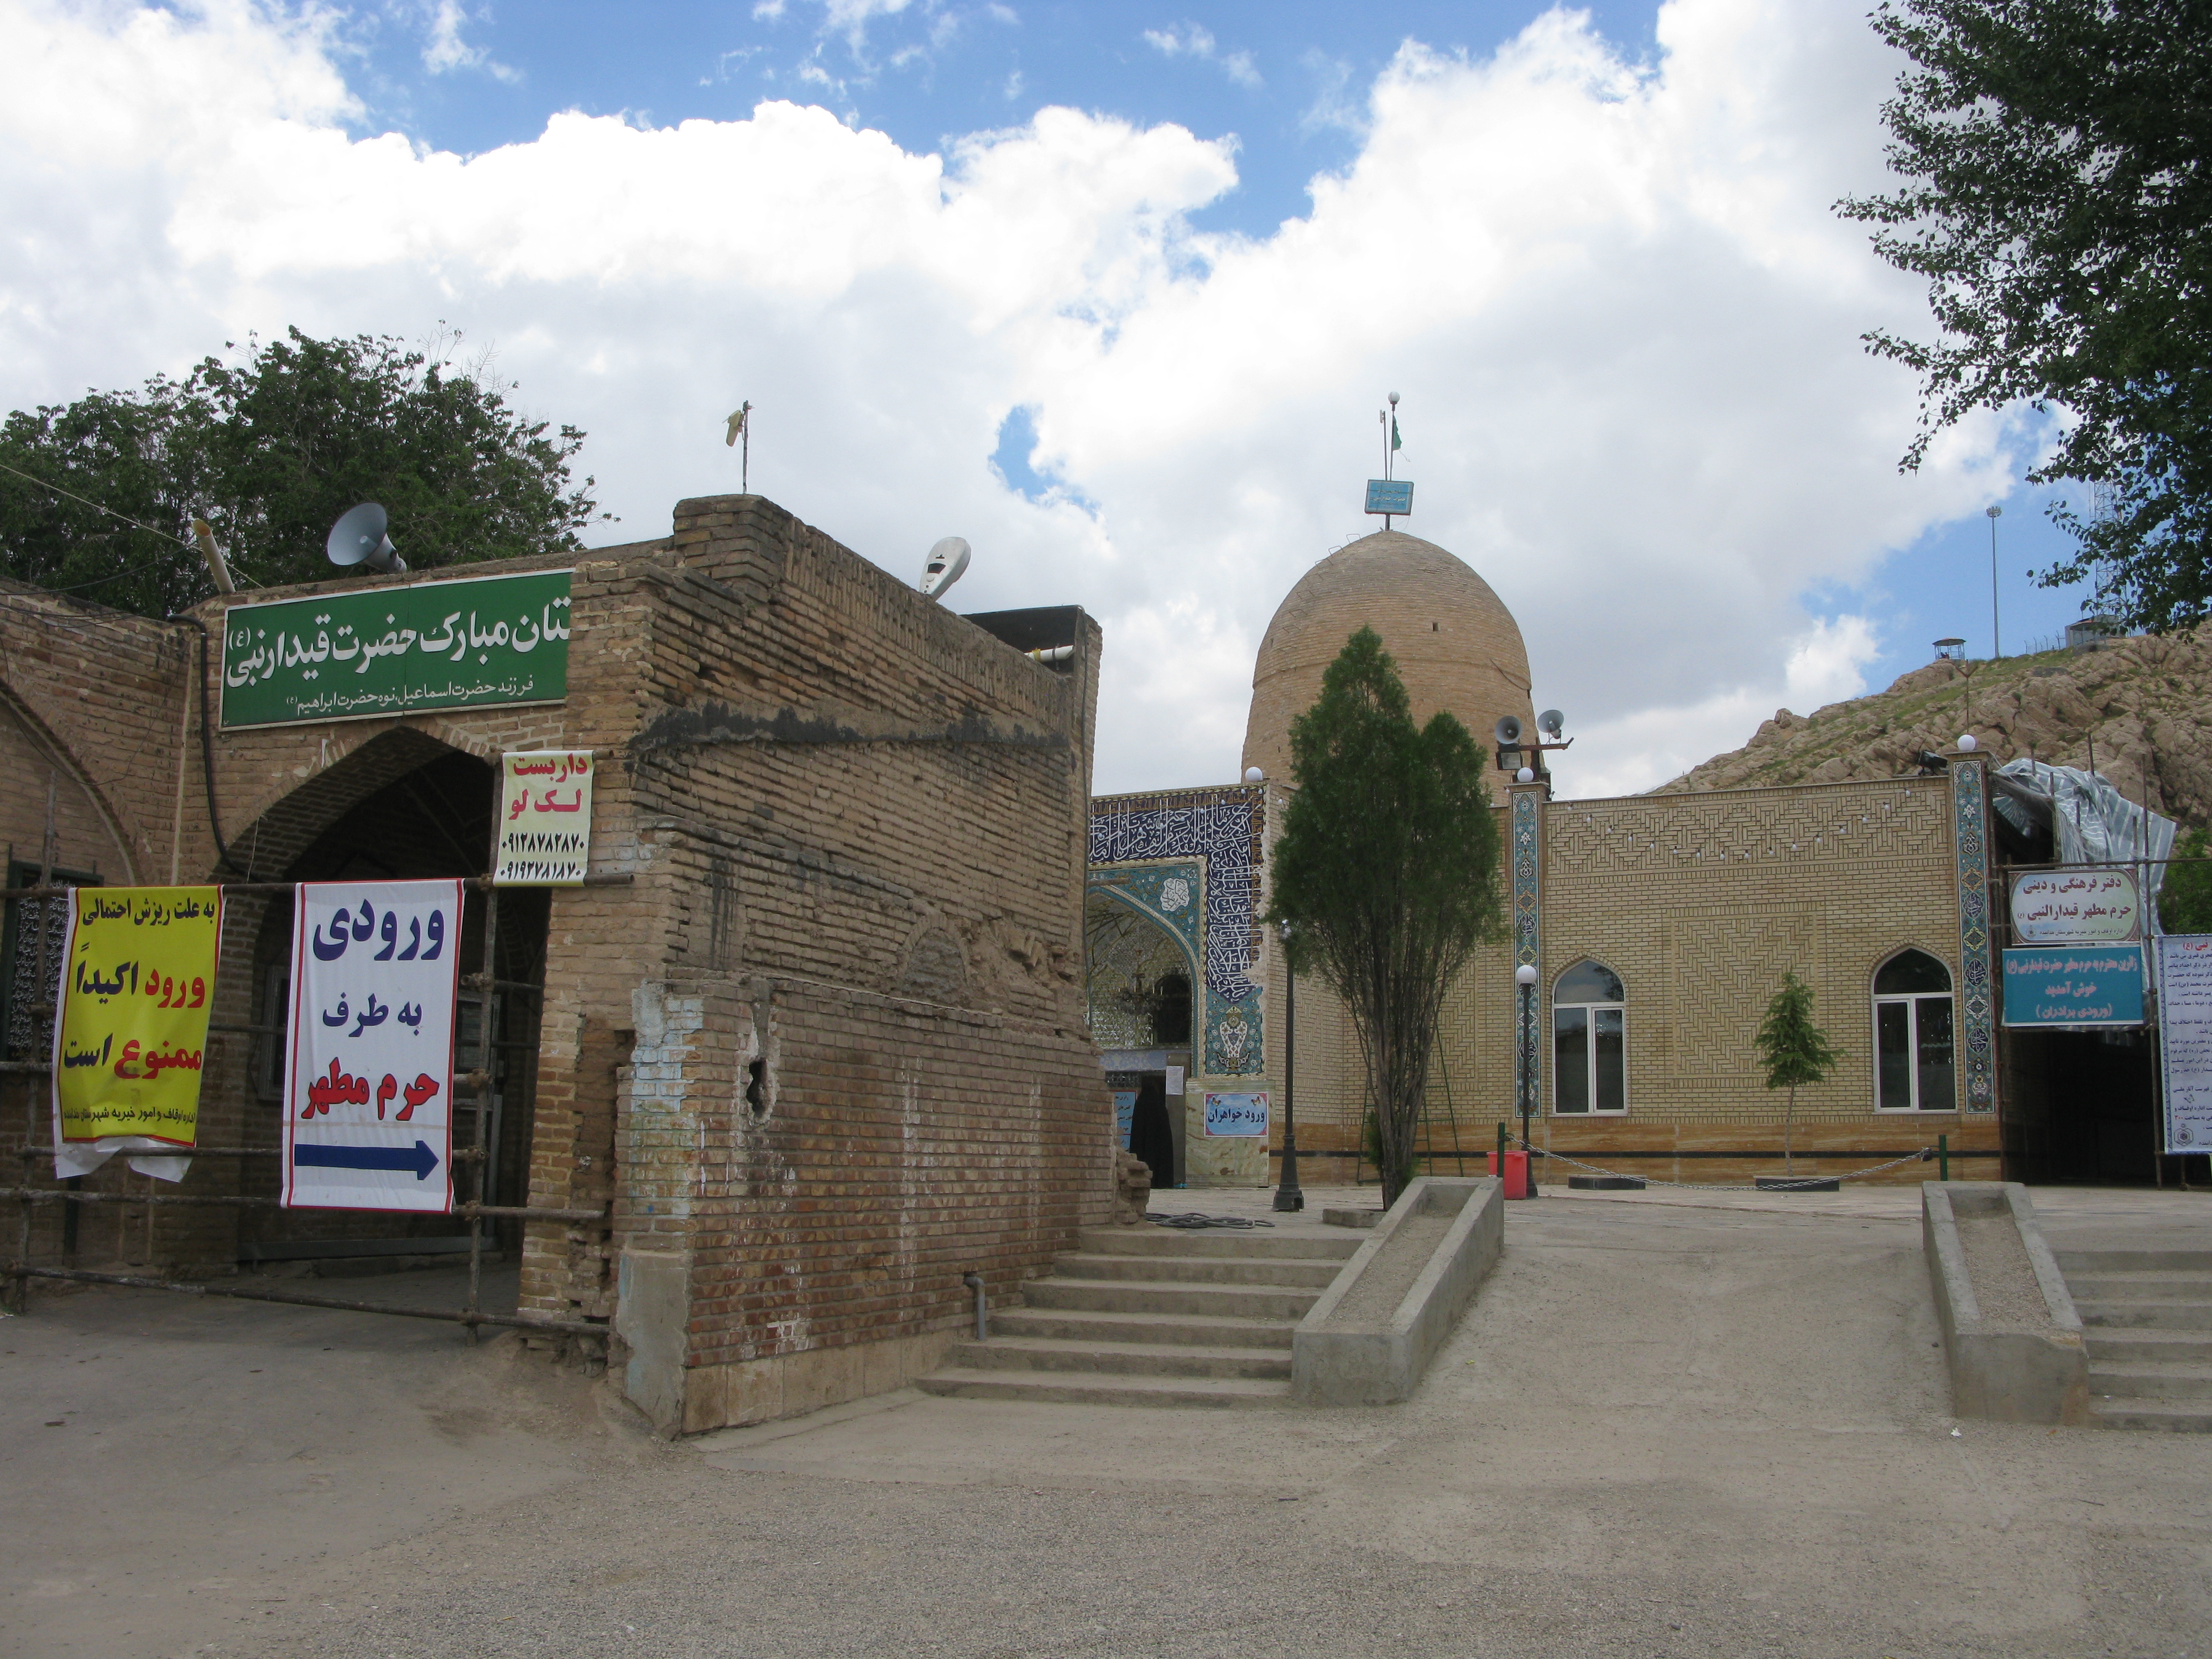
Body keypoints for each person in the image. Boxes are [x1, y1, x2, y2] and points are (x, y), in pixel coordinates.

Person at [1127, 1075, 1175, 1191]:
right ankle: (1161, 1181)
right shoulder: (1159, 1105)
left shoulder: (1140, 1104)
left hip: (1143, 1146)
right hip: (1159, 1146)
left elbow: (1137, 1131)